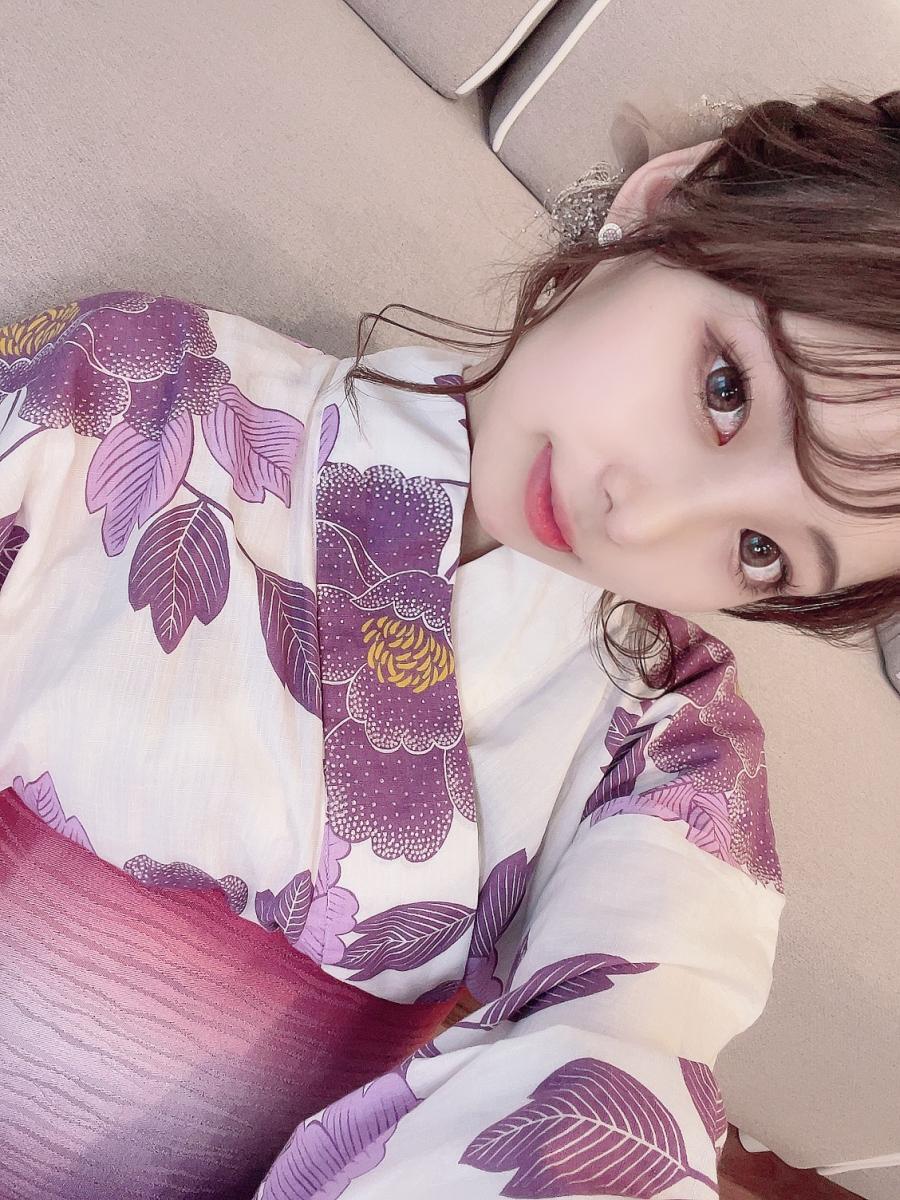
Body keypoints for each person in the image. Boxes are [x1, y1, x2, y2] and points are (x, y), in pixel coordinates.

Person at [0, 87, 896, 1199]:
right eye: (726, 389)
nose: (645, 521)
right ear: (671, 201)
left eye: (761, 550)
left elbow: (631, 1049)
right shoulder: (142, 387)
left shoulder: (672, 754)